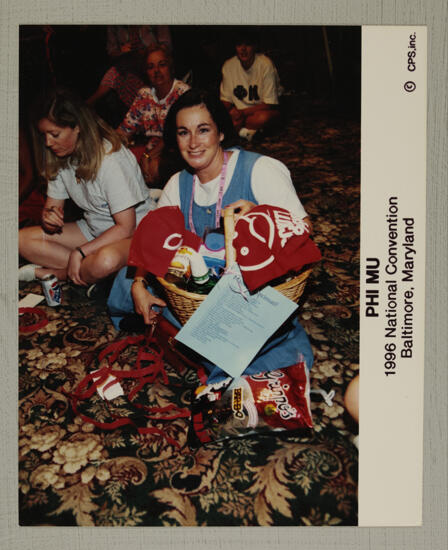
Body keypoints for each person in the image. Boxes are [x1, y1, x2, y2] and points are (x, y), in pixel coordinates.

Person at [108, 89, 313, 382]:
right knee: (127, 279)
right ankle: (161, 323)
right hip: (195, 292)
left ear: (220, 133)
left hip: (247, 294)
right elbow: (153, 241)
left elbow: (305, 229)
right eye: (183, 133)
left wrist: (261, 215)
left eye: (203, 130)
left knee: (244, 349)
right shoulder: (177, 183)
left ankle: (193, 343)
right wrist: (140, 283)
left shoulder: (260, 170)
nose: (193, 143)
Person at [19, 87, 155, 288]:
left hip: (135, 233)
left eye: (55, 134)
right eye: (44, 135)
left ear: (77, 127)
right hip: (94, 229)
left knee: (104, 261)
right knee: (21, 239)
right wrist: (49, 220)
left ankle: (58, 273)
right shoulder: (59, 157)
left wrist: (81, 251)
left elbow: (126, 227)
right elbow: (52, 213)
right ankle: (89, 274)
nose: (48, 142)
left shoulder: (111, 159)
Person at [117, 43, 190, 187]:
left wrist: (148, 156)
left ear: (170, 67)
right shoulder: (144, 94)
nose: (156, 71)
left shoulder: (183, 93)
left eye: (162, 65)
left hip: (178, 150)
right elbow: (124, 130)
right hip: (151, 151)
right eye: (151, 67)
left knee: (155, 168)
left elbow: (176, 135)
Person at [220, 29, 281, 142]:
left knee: (263, 118)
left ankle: (239, 130)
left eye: (247, 45)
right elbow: (226, 101)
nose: (243, 49)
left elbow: (269, 104)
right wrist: (226, 114)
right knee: (221, 118)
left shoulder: (266, 65)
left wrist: (242, 114)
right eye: (239, 45)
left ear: (254, 47)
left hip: (261, 110)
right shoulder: (228, 66)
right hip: (240, 113)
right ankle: (247, 132)